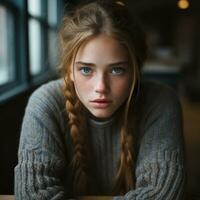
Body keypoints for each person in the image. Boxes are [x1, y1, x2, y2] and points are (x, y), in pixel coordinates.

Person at [14, 1, 186, 199]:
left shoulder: (161, 102)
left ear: (135, 70)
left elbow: (160, 193)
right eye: (86, 69)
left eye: (116, 70)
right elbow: (34, 194)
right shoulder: (45, 103)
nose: (101, 87)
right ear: (69, 70)